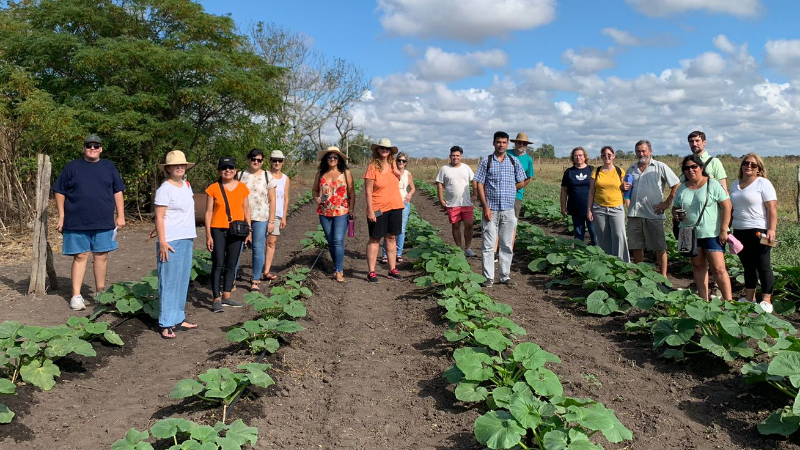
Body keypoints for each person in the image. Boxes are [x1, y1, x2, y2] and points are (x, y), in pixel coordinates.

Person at [53, 134, 126, 311]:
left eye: (95, 146)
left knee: (101, 256)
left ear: (101, 148)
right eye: (88, 146)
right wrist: (62, 216)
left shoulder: (109, 166)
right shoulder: (73, 167)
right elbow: (59, 191)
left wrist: (121, 215)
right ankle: (76, 296)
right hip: (77, 221)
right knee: (80, 256)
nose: (92, 148)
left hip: (103, 221)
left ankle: (100, 293)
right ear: (84, 148)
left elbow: (118, 191)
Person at [672, 154, 733, 302]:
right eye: (687, 168)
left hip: (712, 233)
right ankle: (703, 300)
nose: (691, 170)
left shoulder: (712, 184)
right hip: (689, 233)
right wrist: (676, 215)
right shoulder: (682, 188)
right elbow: (675, 208)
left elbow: (727, 206)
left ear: (701, 168)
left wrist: (724, 229)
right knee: (698, 267)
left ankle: (729, 303)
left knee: (718, 269)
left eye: (694, 166)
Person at [154, 150, 198, 339]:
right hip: (171, 240)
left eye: (182, 165)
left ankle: (179, 317)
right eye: (175, 165)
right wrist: (162, 241)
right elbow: (159, 216)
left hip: (187, 237)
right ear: (169, 168)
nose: (180, 167)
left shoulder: (186, 185)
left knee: (182, 280)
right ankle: (166, 323)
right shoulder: (165, 189)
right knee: (169, 281)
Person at [474, 131, 527, 287]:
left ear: (507, 143)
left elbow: (522, 180)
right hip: (491, 210)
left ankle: (505, 276)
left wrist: (510, 189)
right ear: (493, 143)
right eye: (498, 142)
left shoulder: (513, 161)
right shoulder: (486, 162)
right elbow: (480, 184)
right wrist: (485, 207)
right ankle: (488, 278)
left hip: (508, 210)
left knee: (506, 245)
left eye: (504, 142)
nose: (501, 145)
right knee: (488, 245)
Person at [622, 140, 680, 278]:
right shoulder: (631, 169)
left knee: (659, 247)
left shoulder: (660, 166)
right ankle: (640, 276)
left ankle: (663, 277)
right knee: (636, 246)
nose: (641, 154)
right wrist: (623, 190)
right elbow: (626, 189)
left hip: (654, 214)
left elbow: (676, 184)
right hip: (635, 214)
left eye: (643, 151)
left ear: (650, 151)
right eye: (638, 151)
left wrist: (667, 203)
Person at [730, 153, 777, 313]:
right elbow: (731, 209)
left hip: (760, 230)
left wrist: (772, 229)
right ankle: (749, 297)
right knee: (747, 265)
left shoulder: (763, 183)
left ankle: (766, 300)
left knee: (763, 264)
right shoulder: (735, 185)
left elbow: (772, 208)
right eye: (746, 163)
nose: (749, 166)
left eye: (753, 165)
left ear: (759, 169)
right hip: (739, 231)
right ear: (741, 165)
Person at [204, 157, 251, 312]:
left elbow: (246, 210)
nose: (228, 170)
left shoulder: (242, 188)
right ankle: (216, 298)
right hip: (218, 229)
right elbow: (208, 212)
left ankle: (227, 296)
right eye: (224, 168)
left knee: (231, 264)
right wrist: (208, 235)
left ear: (235, 170)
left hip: (237, 230)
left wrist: (249, 231)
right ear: (219, 171)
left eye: (231, 168)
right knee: (218, 263)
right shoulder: (213, 188)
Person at [234, 148, 276, 291]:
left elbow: (272, 200)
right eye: (253, 159)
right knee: (237, 248)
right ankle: (231, 278)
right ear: (248, 159)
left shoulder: (267, 176)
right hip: (241, 217)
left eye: (259, 160)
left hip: (261, 217)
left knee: (258, 248)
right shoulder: (239, 175)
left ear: (263, 161)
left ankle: (255, 279)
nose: (256, 162)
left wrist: (271, 221)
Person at [364, 138, 405, 282]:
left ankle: (392, 269)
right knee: (375, 239)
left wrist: (397, 173)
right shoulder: (372, 168)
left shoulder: (394, 165)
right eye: (382, 148)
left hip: (395, 206)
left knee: (391, 237)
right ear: (377, 150)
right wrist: (370, 210)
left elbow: (397, 182)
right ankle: (372, 272)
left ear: (390, 152)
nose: (384, 151)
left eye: (387, 149)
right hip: (378, 208)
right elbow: (368, 191)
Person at [312, 146, 355, 282]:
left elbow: (352, 192)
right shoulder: (320, 174)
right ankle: (336, 266)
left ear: (339, 159)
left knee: (337, 240)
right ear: (326, 159)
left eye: (335, 157)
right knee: (330, 241)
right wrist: (316, 198)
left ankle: (339, 270)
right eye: (329, 157)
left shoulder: (345, 173)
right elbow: (314, 190)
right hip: (324, 212)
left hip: (341, 211)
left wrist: (352, 209)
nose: (332, 159)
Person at [587, 146, 630, 262]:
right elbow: (591, 192)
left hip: (616, 208)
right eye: (604, 155)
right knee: (603, 237)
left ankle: (622, 263)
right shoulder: (596, 171)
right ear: (601, 157)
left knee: (619, 236)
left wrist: (628, 207)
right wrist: (589, 210)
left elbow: (625, 191)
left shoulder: (620, 171)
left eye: (609, 154)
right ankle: (606, 262)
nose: (607, 157)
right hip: (599, 208)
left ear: (614, 156)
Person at [436, 146, 477, 256]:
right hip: (452, 203)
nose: (455, 157)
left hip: (466, 202)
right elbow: (440, 184)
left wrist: (475, 194)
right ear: (450, 156)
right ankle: (459, 249)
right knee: (455, 226)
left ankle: (468, 248)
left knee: (469, 224)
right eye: (453, 155)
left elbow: (474, 181)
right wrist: (441, 200)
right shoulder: (444, 169)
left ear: (461, 157)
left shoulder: (466, 168)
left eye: (457, 155)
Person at [380, 151, 415, 264]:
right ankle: (385, 254)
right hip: (390, 202)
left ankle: (398, 253)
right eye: (399, 160)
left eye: (403, 161)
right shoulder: (391, 172)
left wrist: (409, 195)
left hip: (403, 202)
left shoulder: (408, 174)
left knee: (401, 229)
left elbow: (413, 188)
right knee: (389, 230)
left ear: (406, 163)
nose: (401, 162)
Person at [560, 146, 596, 244]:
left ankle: (598, 256)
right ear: (573, 158)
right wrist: (563, 207)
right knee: (578, 234)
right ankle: (579, 256)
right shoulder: (569, 172)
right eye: (575, 156)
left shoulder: (592, 170)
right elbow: (564, 190)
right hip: (575, 208)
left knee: (595, 234)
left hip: (591, 208)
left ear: (585, 157)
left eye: (580, 155)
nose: (578, 157)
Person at [263, 150, 290, 280]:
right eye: (274, 160)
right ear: (270, 161)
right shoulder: (264, 175)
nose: (277, 163)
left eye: (279, 161)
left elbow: (285, 198)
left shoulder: (285, 178)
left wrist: (284, 216)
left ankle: (266, 270)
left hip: (277, 214)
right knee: (258, 242)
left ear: (283, 162)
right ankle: (257, 271)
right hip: (262, 213)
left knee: (271, 242)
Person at [508, 132, 535, 217]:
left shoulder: (528, 159)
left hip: (517, 194)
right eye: (519, 142)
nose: (521, 145)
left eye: (524, 143)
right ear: (515, 143)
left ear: (526, 145)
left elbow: (528, 178)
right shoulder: (506, 153)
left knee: (513, 220)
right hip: (501, 192)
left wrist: (518, 187)